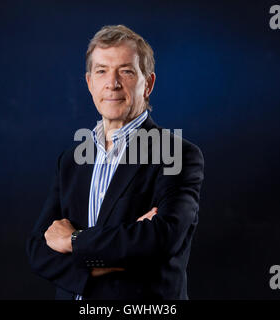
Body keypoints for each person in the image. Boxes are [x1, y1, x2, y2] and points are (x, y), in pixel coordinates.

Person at [26, 25, 204, 300]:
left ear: (149, 83)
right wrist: (111, 259)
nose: (113, 83)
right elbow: (38, 250)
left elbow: (160, 239)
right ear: (89, 83)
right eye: (101, 71)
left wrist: (73, 241)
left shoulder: (176, 154)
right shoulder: (72, 161)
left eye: (126, 71)